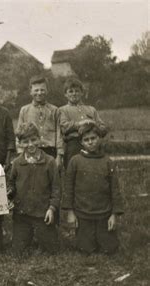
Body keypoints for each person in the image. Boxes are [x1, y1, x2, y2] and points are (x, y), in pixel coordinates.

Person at [62, 122, 123, 254]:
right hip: (83, 213)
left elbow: (115, 190)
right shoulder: (75, 161)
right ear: (81, 143)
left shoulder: (108, 162)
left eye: (93, 138)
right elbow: (68, 188)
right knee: (85, 250)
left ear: (99, 139)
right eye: (86, 140)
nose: (90, 142)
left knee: (110, 249)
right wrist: (71, 212)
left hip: (104, 214)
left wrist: (114, 215)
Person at [8, 123, 60, 255]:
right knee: (17, 250)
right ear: (19, 143)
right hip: (22, 214)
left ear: (39, 138)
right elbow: (11, 185)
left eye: (33, 140)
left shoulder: (49, 162)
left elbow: (56, 188)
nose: (30, 145)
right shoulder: (16, 163)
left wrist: (52, 209)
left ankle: (43, 237)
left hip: (42, 213)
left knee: (52, 249)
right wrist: (9, 195)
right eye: (25, 142)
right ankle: (26, 236)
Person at [58, 77, 107, 168]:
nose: (74, 94)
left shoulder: (91, 109)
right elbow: (64, 127)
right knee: (73, 169)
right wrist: (81, 123)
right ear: (65, 94)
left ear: (82, 93)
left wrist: (93, 125)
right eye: (71, 91)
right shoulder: (62, 110)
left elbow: (103, 127)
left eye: (77, 91)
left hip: (93, 143)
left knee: (95, 168)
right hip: (74, 144)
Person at [16, 75, 63, 167]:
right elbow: (19, 133)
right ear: (30, 91)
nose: (39, 93)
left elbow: (59, 134)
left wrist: (59, 155)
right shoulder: (24, 110)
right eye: (36, 90)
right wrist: (20, 152)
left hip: (50, 151)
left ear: (47, 90)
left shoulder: (55, 110)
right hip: (31, 149)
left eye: (42, 90)